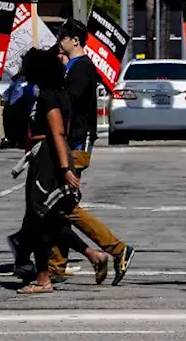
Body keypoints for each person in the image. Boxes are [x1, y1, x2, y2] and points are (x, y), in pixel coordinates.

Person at [14, 49, 111, 293]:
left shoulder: (49, 96)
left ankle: (43, 279)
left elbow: (57, 132)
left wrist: (66, 169)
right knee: (53, 217)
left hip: (48, 158)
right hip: (47, 154)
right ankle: (94, 256)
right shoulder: (54, 93)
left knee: (39, 218)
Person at [52, 22, 136, 286]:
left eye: (62, 37)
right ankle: (55, 265)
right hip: (70, 143)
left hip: (75, 144)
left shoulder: (80, 69)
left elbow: (69, 104)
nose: (59, 41)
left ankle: (116, 248)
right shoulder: (74, 68)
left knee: (62, 204)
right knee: (54, 206)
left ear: (74, 40)